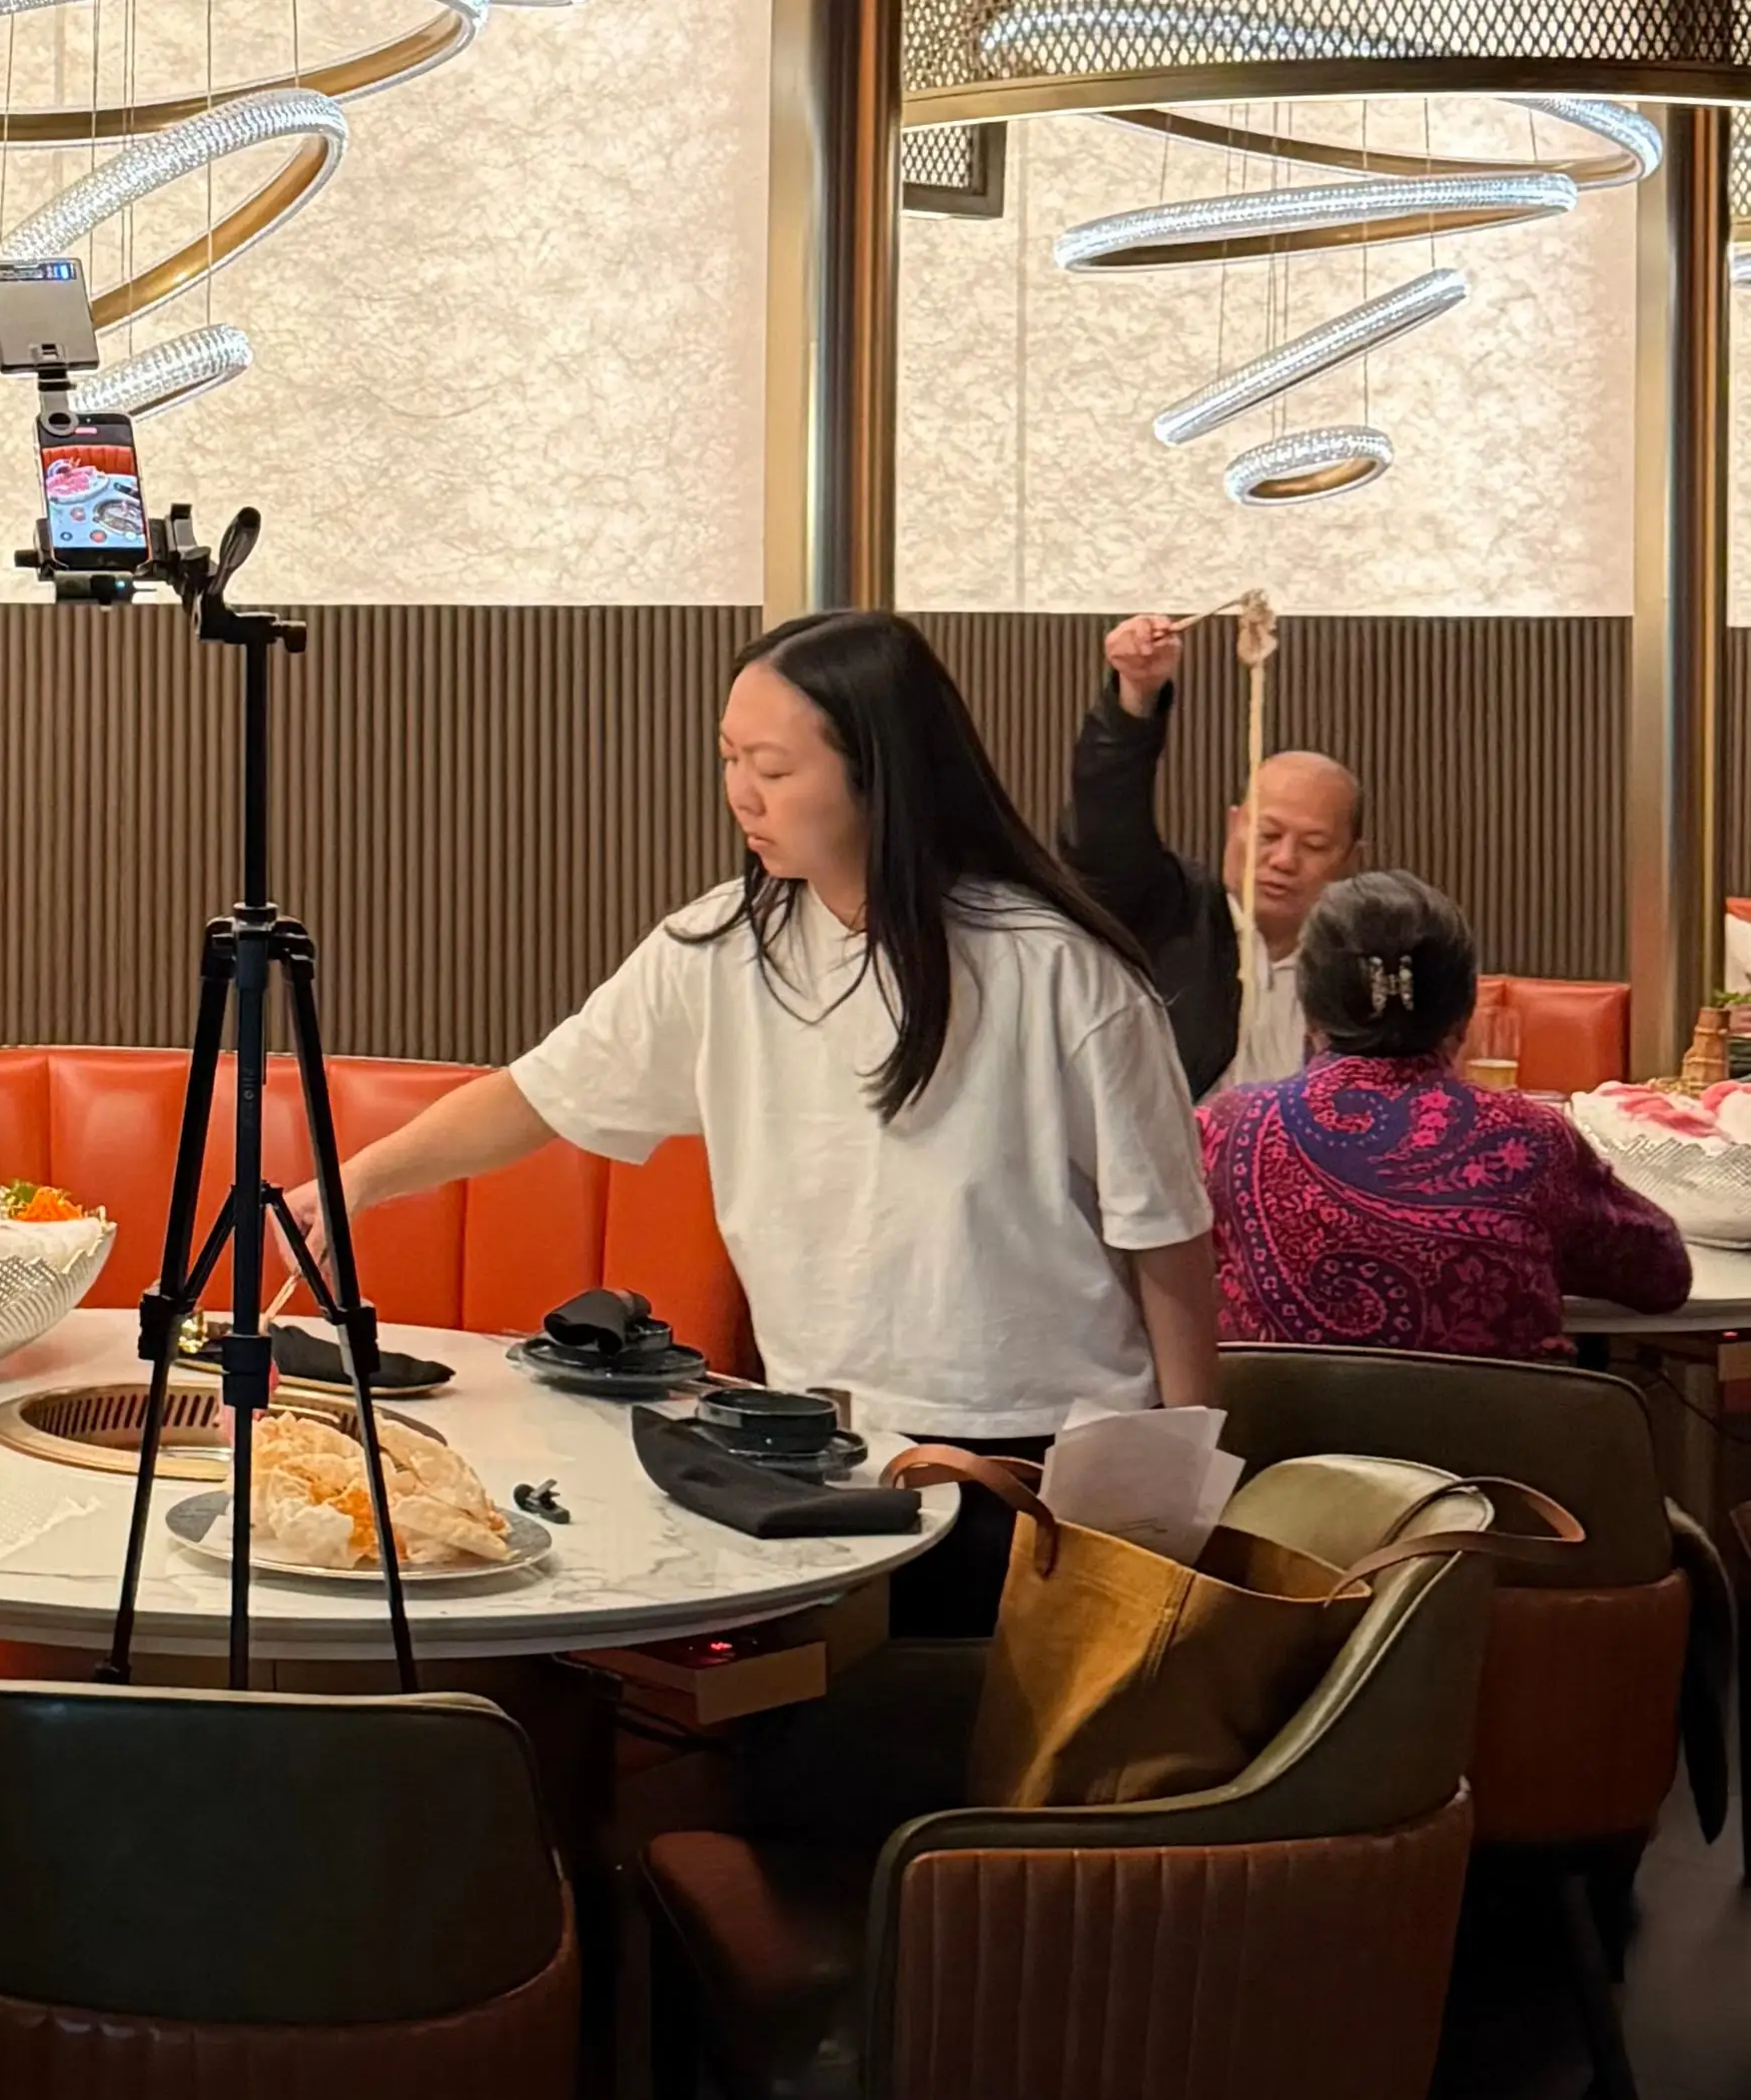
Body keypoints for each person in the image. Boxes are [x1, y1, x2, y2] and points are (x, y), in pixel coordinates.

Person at [286, 608, 1220, 1639]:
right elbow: (539, 1094)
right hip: (816, 1455)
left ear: (879, 774)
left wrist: (1186, 1497)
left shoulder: (1062, 972)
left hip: (1040, 1474)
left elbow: (1166, 1243)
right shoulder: (720, 950)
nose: (741, 792)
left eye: (771, 766)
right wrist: (359, 1176)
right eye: (731, 757)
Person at [1201, 870, 1688, 1355]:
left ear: (1308, 1008)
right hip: (1501, 1431)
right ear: (1465, 1011)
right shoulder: (1529, 1143)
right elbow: (1663, 1275)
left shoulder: (1228, 1130)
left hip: (1279, 1431)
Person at [1064, 613, 1363, 1099]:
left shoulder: (1364, 959)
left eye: (1312, 846)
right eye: (1267, 835)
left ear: (1351, 860)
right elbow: (1104, 827)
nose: (1284, 860)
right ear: (1233, 826)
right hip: (1184, 1167)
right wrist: (1135, 697)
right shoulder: (1170, 914)